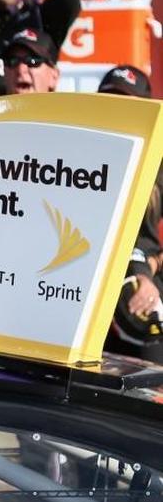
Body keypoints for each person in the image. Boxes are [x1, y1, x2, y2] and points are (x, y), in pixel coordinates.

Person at [96, 65, 163, 362]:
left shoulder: (158, 165)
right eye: (108, 101)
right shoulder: (80, 158)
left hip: (139, 296)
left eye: (126, 102)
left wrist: (149, 269)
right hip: (87, 295)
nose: (116, 110)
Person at [1, 28, 60, 95]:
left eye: (33, 61)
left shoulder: (71, 105)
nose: (20, 69)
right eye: (12, 60)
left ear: (54, 77)